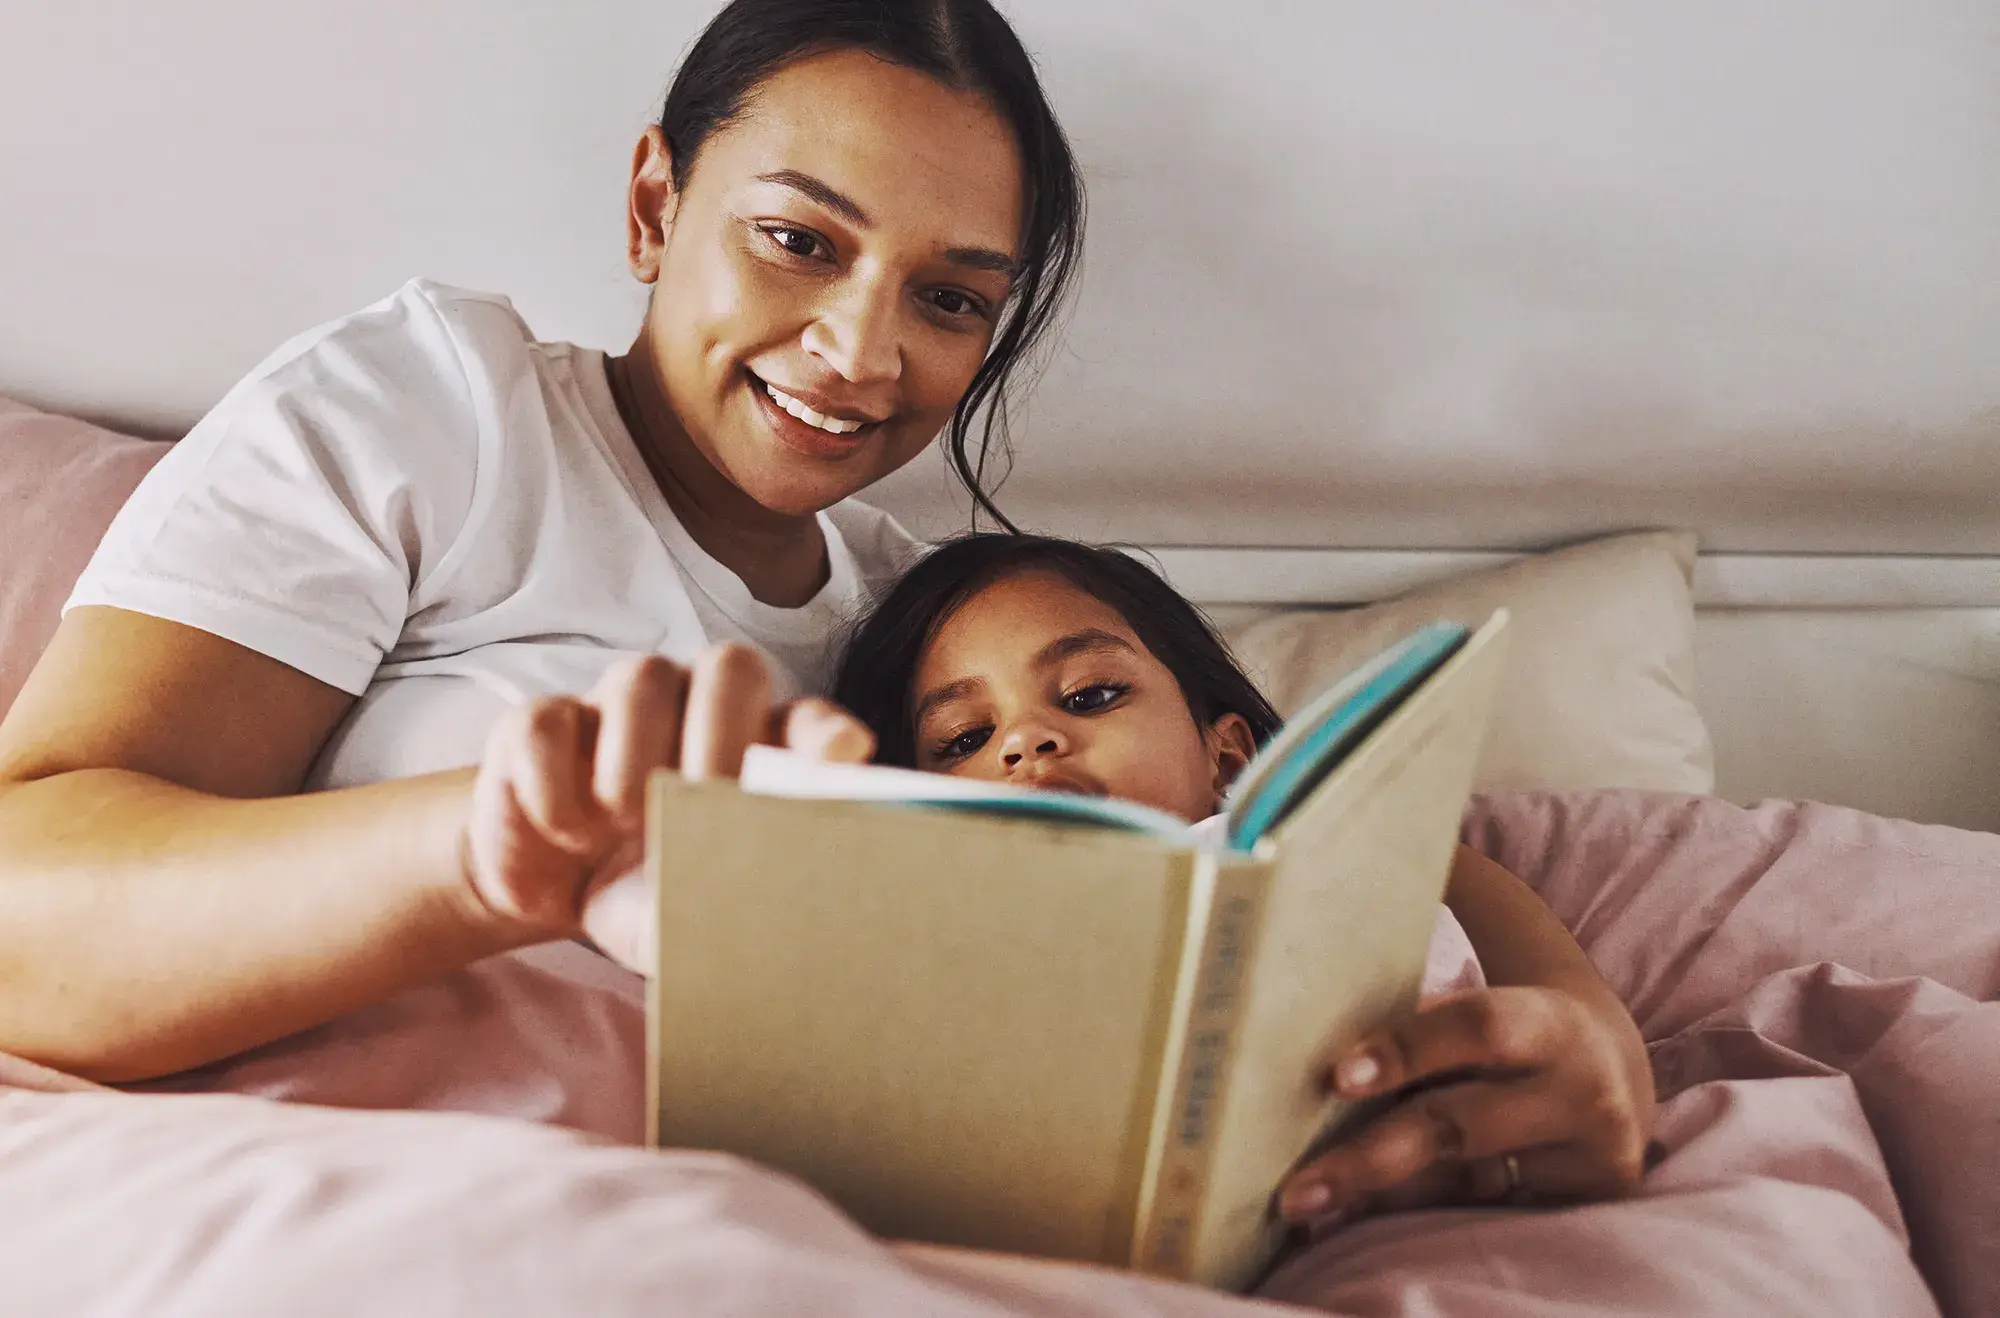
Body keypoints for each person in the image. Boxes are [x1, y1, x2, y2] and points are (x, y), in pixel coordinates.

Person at [0, 0, 1084, 1083]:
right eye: (797, 242)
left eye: (949, 300)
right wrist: (498, 849)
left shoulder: (934, 633)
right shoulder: (441, 409)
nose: (860, 353)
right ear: (653, 208)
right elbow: (25, 919)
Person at [831, 534, 1657, 1222]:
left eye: (1090, 695)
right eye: (963, 740)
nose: (1024, 742)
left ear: (1226, 757)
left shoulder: (1327, 853)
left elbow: (1553, 1022)